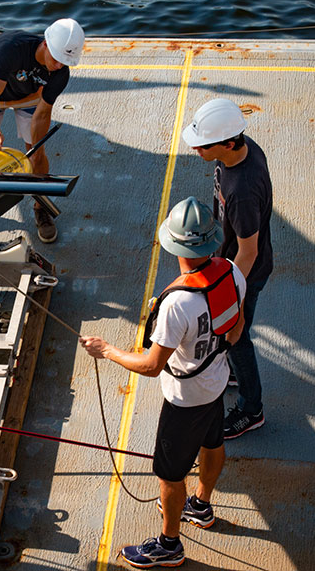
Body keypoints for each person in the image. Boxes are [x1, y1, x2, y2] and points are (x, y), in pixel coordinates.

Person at [80, 197, 246, 568]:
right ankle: (201, 506)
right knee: (213, 442)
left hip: (184, 402)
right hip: (216, 384)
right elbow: (237, 328)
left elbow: (153, 365)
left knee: (169, 477)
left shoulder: (177, 304)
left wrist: (107, 350)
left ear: (173, 245)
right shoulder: (233, 272)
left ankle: (170, 545)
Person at [182, 98, 273, 440]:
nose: (198, 149)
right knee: (232, 336)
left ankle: (252, 409)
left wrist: (228, 294)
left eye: (204, 145)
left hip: (245, 271)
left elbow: (249, 251)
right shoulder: (239, 153)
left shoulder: (243, 192)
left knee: (236, 335)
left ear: (229, 142)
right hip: (230, 260)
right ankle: (236, 374)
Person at [0, 17, 85, 244]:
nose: (59, 65)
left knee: (37, 153)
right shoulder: (11, 48)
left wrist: (35, 146)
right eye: (57, 59)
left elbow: (42, 114)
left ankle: (41, 206)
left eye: (65, 62)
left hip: (29, 96)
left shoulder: (61, 74)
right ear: (45, 44)